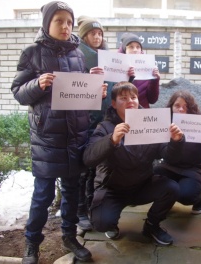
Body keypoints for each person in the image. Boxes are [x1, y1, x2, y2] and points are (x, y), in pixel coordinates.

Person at [11, 1, 93, 263]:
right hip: (47, 137)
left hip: (75, 136)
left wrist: (95, 90)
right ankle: (31, 244)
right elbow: (18, 92)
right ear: (47, 23)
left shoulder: (79, 54)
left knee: (71, 191)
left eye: (69, 22)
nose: (66, 26)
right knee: (43, 195)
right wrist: (38, 83)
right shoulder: (32, 52)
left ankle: (70, 237)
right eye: (59, 21)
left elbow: (79, 92)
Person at [83, 81, 184, 246]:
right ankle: (111, 221)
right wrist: (112, 140)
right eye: (123, 98)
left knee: (171, 188)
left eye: (133, 97)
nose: (130, 101)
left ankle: (152, 225)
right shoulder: (105, 127)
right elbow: (88, 158)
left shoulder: (151, 125)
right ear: (114, 104)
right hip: (113, 189)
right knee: (101, 223)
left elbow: (167, 155)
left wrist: (176, 141)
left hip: (141, 185)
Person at [75, 15, 115, 232]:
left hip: (102, 119)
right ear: (84, 36)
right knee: (83, 168)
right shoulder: (77, 56)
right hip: (84, 121)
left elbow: (116, 87)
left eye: (100, 33)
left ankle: (91, 207)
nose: (97, 37)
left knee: (95, 168)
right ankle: (80, 211)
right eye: (93, 33)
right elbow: (72, 86)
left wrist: (130, 77)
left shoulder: (108, 58)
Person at [153, 90, 201, 215]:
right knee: (152, 180)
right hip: (169, 166)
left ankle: (199, 197)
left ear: (191, 109)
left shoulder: (200, 124)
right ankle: (166, 199)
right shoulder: (164, 124)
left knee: (186, 196)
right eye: (177, 106)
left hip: (193, 170)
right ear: (171, 107)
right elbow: (161, 155)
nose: (181, 109)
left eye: (185, 106)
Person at [118, 32, 160, 108]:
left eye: (138, 47)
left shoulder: (148, 67)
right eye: (131, 47)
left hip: (142, 114)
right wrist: (129, 78)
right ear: (125, 50)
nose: (135, 50)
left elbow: (152, 100)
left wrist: (155, 80)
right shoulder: (117, 67)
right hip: (123, 113)